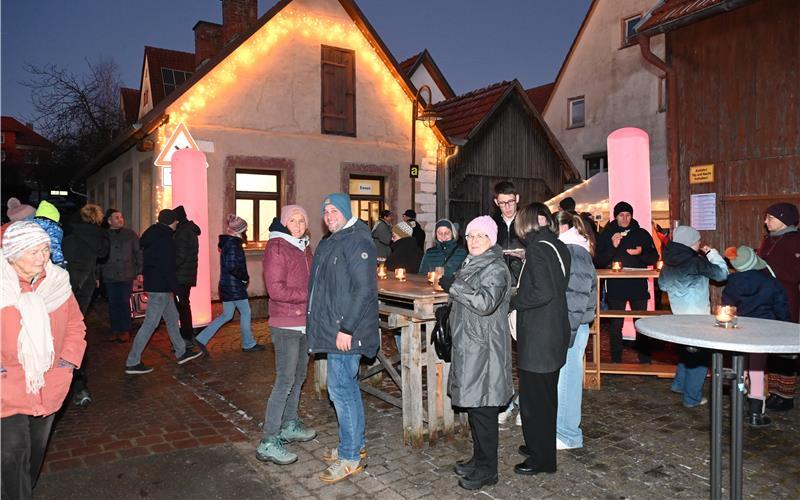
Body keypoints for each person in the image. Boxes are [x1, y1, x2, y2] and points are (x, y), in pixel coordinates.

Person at [1, 221, 86, 500]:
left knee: (35, 454)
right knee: (12, 455)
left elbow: (75, 324)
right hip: (7, 385)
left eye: (45, 249)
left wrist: (67, 363)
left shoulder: (58, 282)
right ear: (12, 254)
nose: (42, 257)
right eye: (33, 251)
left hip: (49, 383)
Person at [307, 193, 379, 483]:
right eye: (325, 211)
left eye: (334, 210)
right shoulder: (335, 240)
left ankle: (350, 456)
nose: (329, 215)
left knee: (341, 391)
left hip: (348, 332)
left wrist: (346, 328)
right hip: (336, 328)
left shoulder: (357, 241)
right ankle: (355, 446)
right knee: (345, 389)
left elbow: (364, 290)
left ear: (347, 211)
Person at [437, 216, 513, 491]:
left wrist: (453, 286)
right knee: (475, 408)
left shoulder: (495, 268)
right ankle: (479, 459)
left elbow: (485, 303)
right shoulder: (473, 263)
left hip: (485, 350)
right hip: (472, 346)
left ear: (491, 239)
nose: (474, 241)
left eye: (481, 236)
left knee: (484, 411)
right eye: (470, 236)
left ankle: (488, 470)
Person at [511, 202, 571, 477]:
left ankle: (542, 459)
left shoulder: (536, 249)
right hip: (554, 332)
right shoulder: (556, 245)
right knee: (545, 398)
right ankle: (540, 445)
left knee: (535, 402)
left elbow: (541, 292)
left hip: (538, 337)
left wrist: (514, 301)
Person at [256, 205, 317, 465]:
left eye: (302, 219)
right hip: (285, 324)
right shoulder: (277, 247)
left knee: (300, 376)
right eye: (293, 219)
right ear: (284, 222)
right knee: (285, 380)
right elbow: (276, 290)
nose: (298, 223)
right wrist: (310, 295)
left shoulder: (304, 246)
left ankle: (289, 424)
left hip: (305, 322)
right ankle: (268, 440)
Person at [125, 209, 202, 374]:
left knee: (173, 319)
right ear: (172, 222)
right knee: (150, 324)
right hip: (160, 288)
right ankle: (132, 361)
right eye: (175, 222)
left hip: (160, 286)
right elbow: (167, 267)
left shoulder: (154, 233)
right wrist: (176, 288)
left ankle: (181, 352)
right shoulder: (165, 239)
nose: (177, 224)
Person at [658, 226, 728, 408]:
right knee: (699, 358)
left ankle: (679, 385)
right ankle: (692, 398)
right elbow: (721, 274)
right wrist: (712, 253)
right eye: (697, 241)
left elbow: (663, 285)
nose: (699, 244)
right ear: (690, 243)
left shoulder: (668, 262)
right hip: (697, 318)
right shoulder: (696, 261)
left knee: (685, 351)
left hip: (678, 316)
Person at [723, 245, 790, 427]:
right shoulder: (770, 282)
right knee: (757, 371)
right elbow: (781, 307)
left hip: (741, 330)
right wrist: (786, 326)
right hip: (763, 331)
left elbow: (727, 306)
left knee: (741, 367)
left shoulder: (733, 282)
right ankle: (755, 414)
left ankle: (738, 402)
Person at [595, 201, 659, 363]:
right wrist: (612, 246)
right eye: (621, 215)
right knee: (616, 324)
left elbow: (654, 257)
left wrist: (641, 252)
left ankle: (645, 359)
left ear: (632, 216)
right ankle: (616, 359)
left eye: (627, 215)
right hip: (616, 286)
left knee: (642, 323)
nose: (624, 218)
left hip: (638, 285)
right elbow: (599, 260)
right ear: (615, 216)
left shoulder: (642, 233)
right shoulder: (607, 234)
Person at [555, 210, 597, 450]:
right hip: (572, 323)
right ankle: (562, 428)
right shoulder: (573, 248)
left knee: (568, 379)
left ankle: (568, 434)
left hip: (573, 324)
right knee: (564, 377)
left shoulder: (573, 250)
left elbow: (575, 296)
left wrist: (566, 333)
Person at [61, 204, 109, 407]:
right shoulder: (99, 235)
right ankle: (78, 381)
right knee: (77, 328)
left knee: (65, 329)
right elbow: (102, 253)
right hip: (85, 284)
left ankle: (71, 380)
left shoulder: (69, 233)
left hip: (66, 284)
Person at [195, 215, 264, 352]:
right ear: (239, 231)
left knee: (227, 315)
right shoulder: (234, 245)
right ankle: (248, 344)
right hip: (235, 287)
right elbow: (232, 266)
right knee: (246, 312)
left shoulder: (228, 243)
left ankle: (201, 338)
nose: (246, 232)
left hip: (226, 285)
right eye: (245, 229)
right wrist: (244, 278)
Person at [757, 202, 800, 412]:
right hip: (767, 298)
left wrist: (767, 267)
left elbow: (794, 274)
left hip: (785, 298)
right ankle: (773, 391)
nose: (766, 222)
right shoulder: (768, 239)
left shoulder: (795, 241)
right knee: (770, 344)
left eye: (770, 218)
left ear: (784, 219)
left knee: (784, 345)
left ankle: (786, 395)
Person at [100, 209, 142, 343]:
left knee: (124, 302)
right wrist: (97, 275)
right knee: (113, 303)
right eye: (116, 217)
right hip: (110, 274)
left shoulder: (130, 235)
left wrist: (140, 271)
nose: (120, 219)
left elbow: (139, 253)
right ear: (109, 221)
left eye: (121, 217)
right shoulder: (104, 235)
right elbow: (99, 255)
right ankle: (115, 329)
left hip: (126, 273)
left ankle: (125, 329)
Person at [172, 205, 201, 348]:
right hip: (186, 275)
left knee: (182, 306)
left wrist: (170, 268)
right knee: (183, 306)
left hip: (181, 276)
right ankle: (186, 335)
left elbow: (180, 256)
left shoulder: (183, 232)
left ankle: (186, 337)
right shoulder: (188, 230)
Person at [491, 181, 525, 282]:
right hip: (498, 280)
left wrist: (525, 255)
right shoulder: (491, 225)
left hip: (523, 280)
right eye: (502, 203)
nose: (507, 207)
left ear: (517, 198)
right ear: (496, 202)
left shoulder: (527, 223)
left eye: (510, 201)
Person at [33, 200, 65, 267]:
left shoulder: (30, 225)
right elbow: (55, 246)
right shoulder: (53, 228)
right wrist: (59, 262)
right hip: (45, 261)